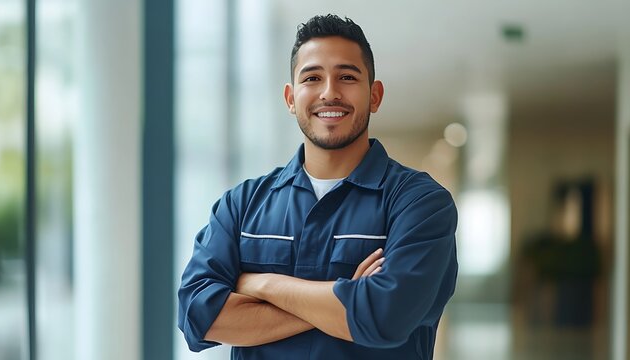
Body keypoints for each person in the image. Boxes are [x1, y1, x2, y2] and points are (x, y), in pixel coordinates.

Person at [177, 14, 458, 360]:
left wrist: (261, 284)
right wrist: (347, 299)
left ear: (374, 95)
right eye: (312, 77)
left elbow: (385, 317)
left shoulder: (419, 203)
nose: (329, 92)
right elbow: (197, 316)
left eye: (346, 77)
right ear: (291, 98)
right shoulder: (242, 204)